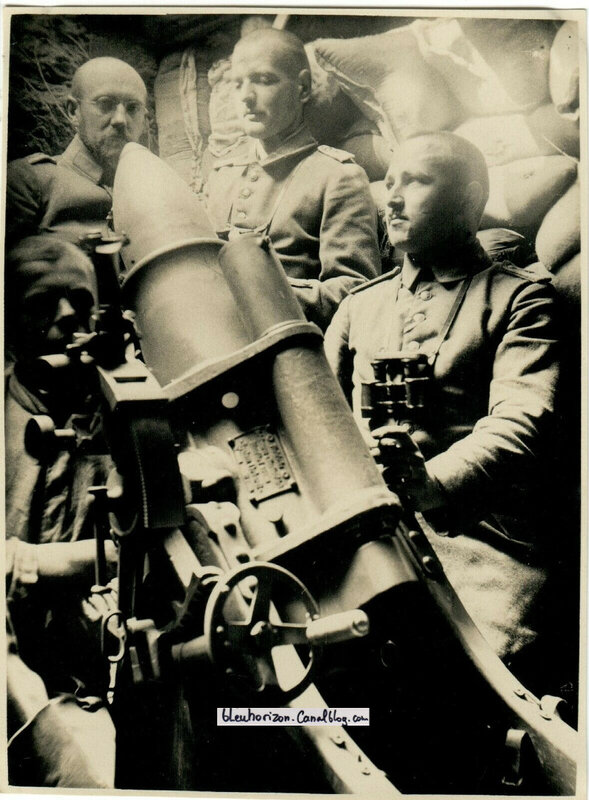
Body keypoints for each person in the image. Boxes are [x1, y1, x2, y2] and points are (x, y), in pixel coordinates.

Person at [324, 132, 576, 699]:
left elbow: (522, 420)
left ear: (468, 196)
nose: (392, 198)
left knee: (459, 685)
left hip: (482, 542)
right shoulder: (358, 307)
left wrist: (428, 483)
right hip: (371, 533)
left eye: (416, 181)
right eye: (389, 182)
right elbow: (319, 422)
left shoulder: (518, 300)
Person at [204, 28, 381, 330]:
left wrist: (258, 291)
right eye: (237, 84)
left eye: (263, 80)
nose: (246, 97)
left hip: (292, 347)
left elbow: (357, 294)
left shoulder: (338, 177)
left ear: (301, 88)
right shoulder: (222, 174)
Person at [5, 57, 147, 250]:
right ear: (73, 111)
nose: (121, 119)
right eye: (105, 103)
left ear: (144, 121)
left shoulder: (150, 196)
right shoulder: (29, 181)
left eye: (133, 108)